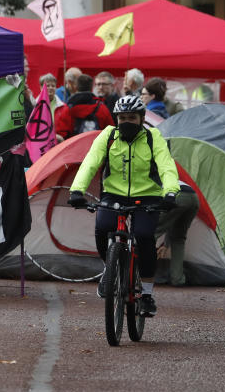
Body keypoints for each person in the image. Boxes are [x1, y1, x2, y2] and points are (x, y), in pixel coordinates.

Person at [67, 94, 180, 317]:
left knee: (144, 236)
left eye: (132, 118)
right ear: (116, 119)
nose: (127, 122)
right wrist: (76, 190)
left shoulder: (152, 136)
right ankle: (110, 268)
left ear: (140, 119)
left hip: (147, 196)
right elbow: (90, 162)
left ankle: (146, 294)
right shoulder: (107, 136)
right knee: (103, 227)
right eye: (122, 118)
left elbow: (166, 165)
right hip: (113, 194)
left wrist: (170, 192)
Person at [156, 181, 199, 286]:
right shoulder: (167, 175)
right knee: (178, 238)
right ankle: (178, 279)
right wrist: (166, 244)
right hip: (193, 197)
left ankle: (137, 276)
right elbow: (171, 221)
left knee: (147, 234)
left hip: (177, 196)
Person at [54, 74, 115, 139]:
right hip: (96, 147)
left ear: (76, 87)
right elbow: (111, 133)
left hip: (74, 147)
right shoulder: (102, 109)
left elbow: (61, 134)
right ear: (91, 88)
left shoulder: (67, 109)